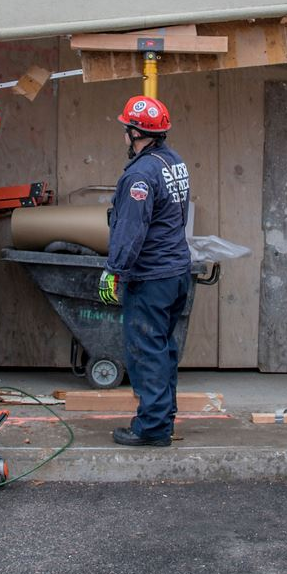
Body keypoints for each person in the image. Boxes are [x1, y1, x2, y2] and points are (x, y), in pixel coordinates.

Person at [98, 95, 191, 447]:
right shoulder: (173, 162)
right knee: (163, 348)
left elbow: (131, 228)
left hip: (152, 276)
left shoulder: (140, 175)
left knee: (146, 351)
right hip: (177, 271)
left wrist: (114, 269)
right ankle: (163, 418)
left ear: (136, 133)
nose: (124, 136)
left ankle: (151, 427)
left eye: (126, 129)